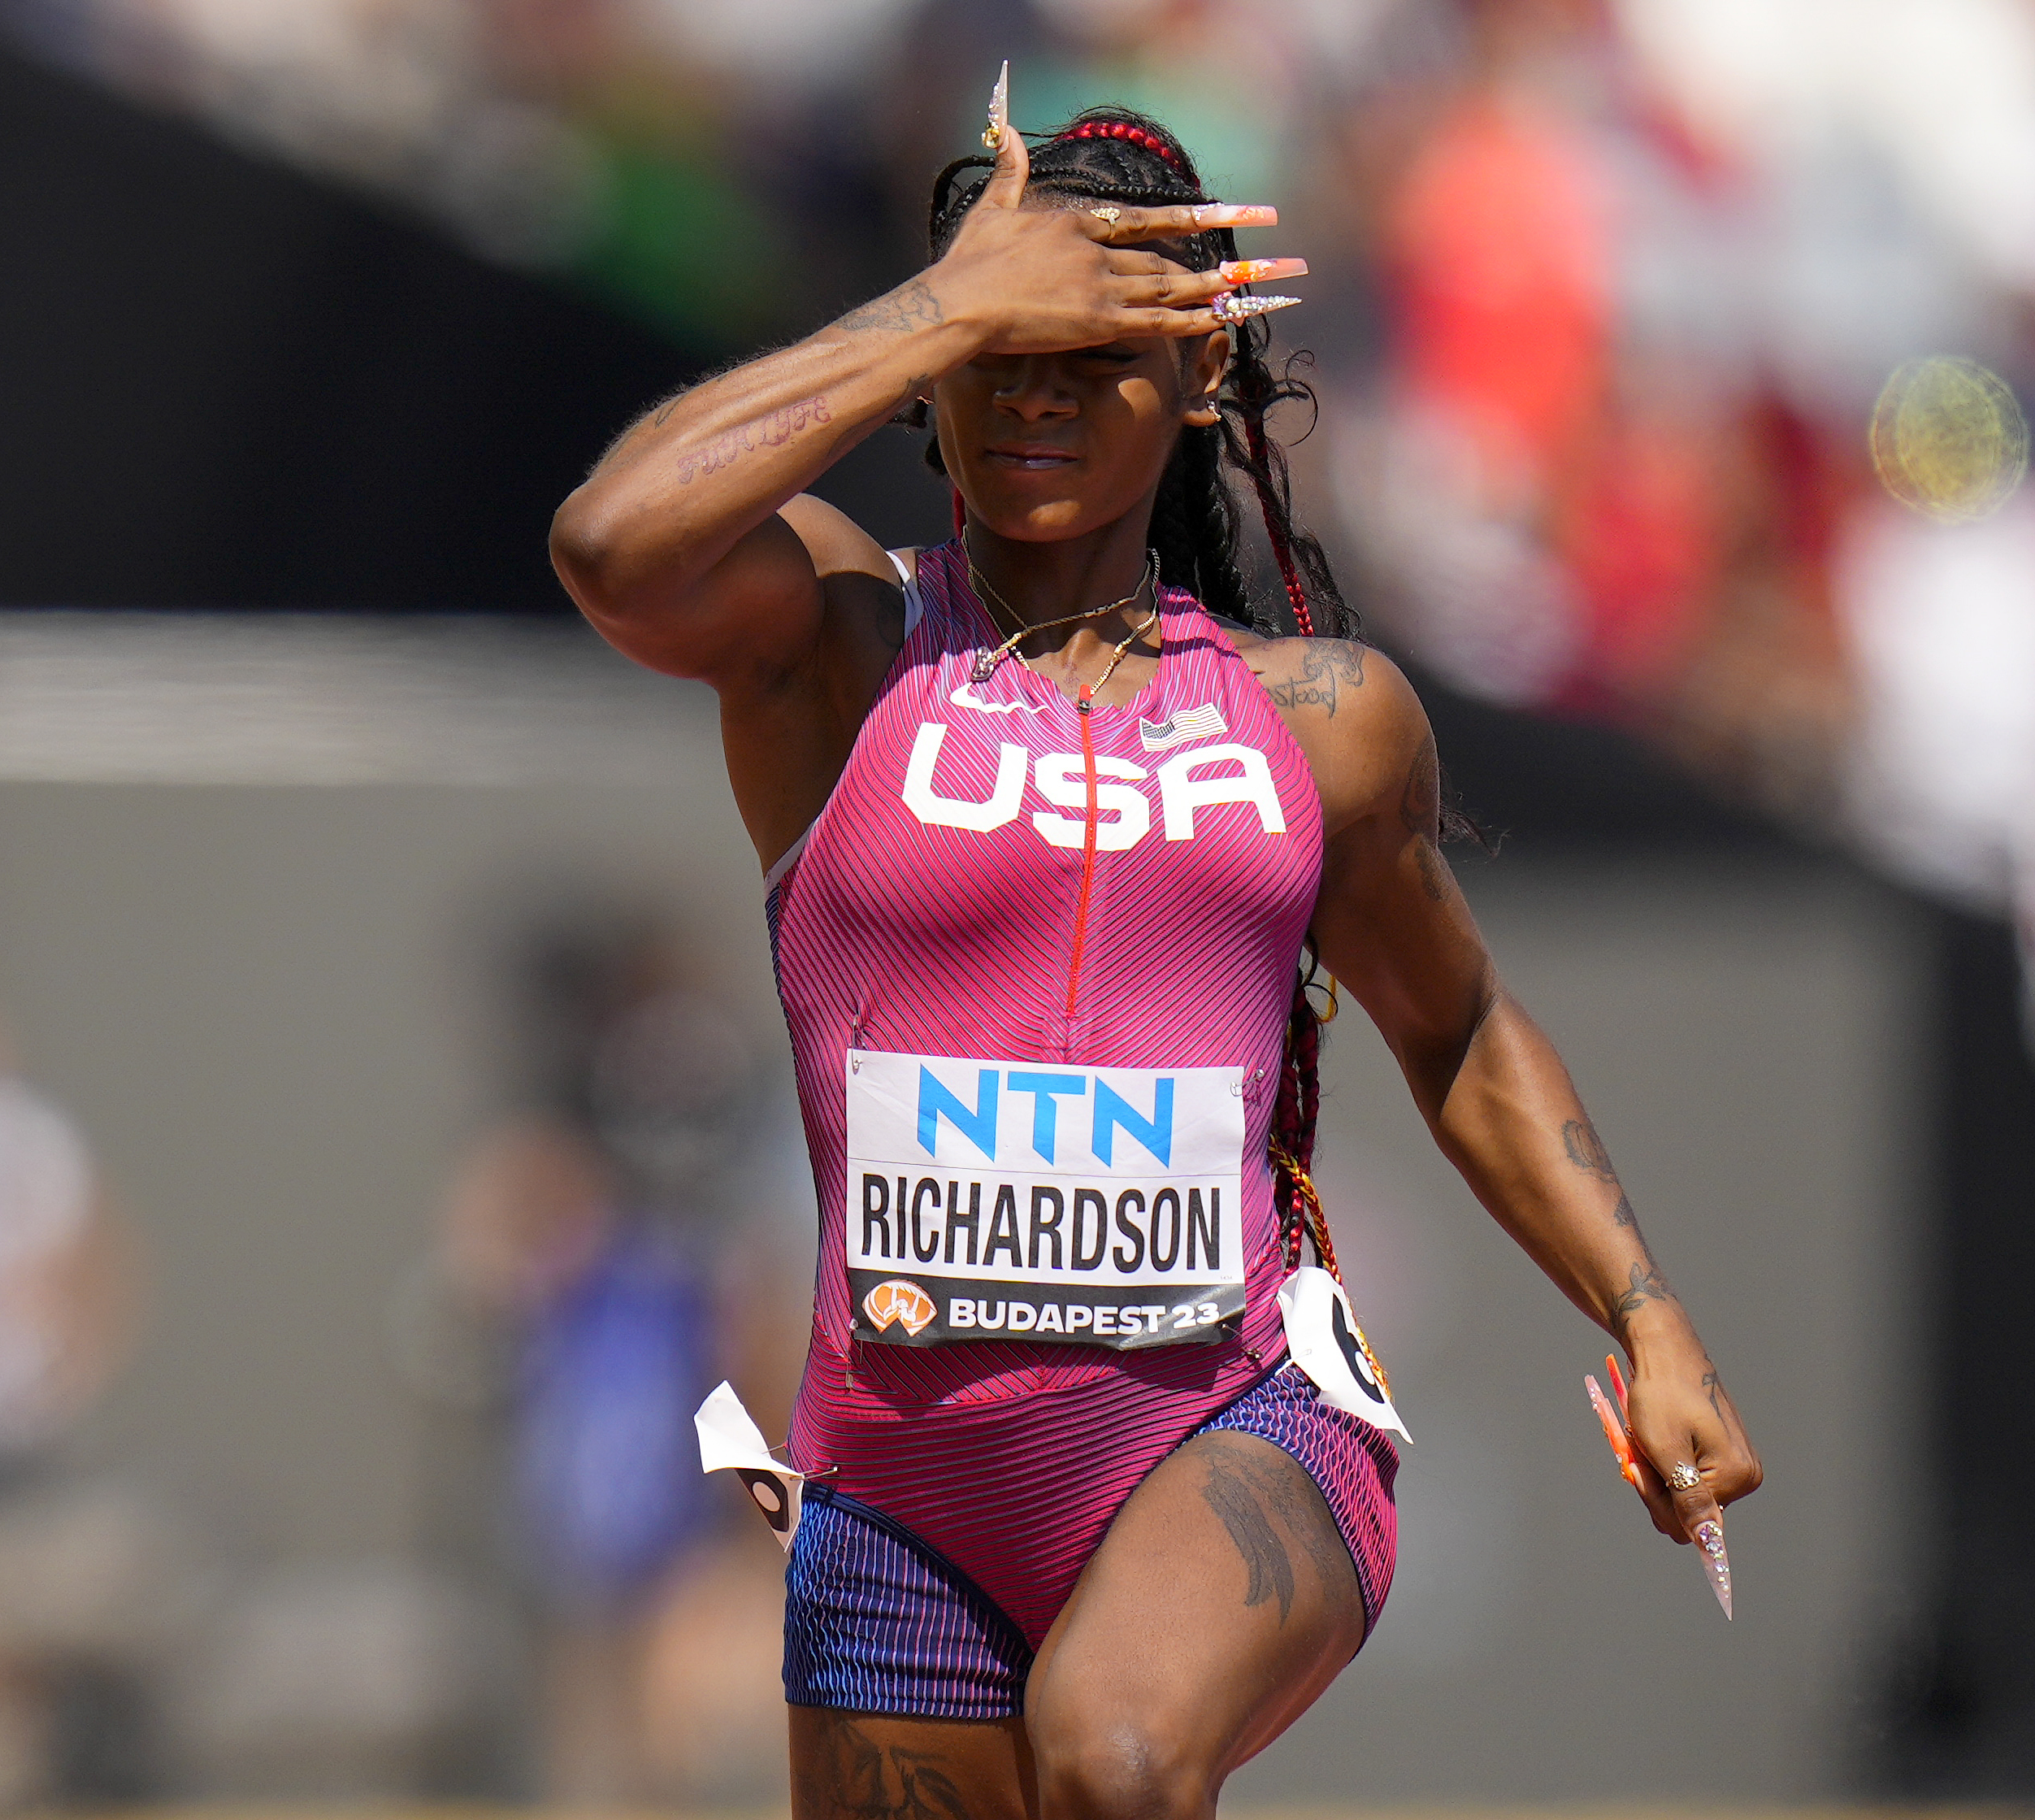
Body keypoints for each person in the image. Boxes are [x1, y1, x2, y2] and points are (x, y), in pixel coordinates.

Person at [550, 96, 1761, 1819]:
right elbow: (611, 544)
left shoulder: (1320, 724)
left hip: (1232, 1429)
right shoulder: (838, 646)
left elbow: (1458, 1027)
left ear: (1198, 376)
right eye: (999, 353)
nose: (1032, 394)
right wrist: (946, 301)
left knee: (1111, 1759)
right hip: (898, 1501)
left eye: (1089, 354)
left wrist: (1648, 1317)